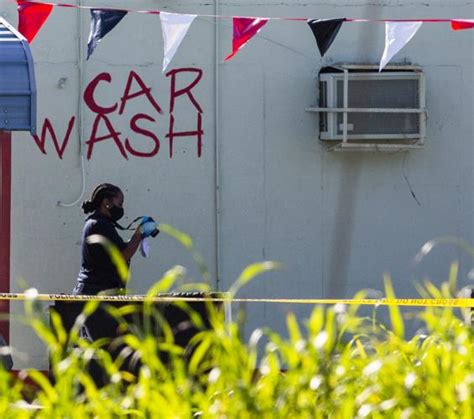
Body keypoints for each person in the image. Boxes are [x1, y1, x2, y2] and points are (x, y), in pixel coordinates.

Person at [73, 183, 155, 296]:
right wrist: (140, 231)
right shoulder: (99, 224)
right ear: (106, 203)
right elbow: (123, 255)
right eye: (120, 204)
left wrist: (138, 236)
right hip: (95, 295)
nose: (121, 208)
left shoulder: (97, 223)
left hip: (95, 293)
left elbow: (118, 251)